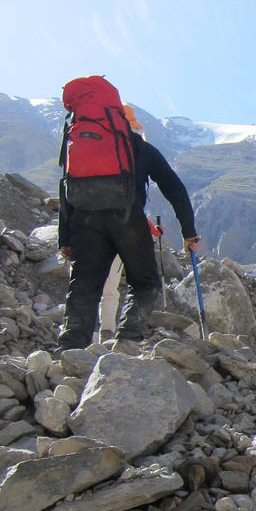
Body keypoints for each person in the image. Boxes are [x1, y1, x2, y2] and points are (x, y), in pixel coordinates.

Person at [57, 104, 200, 350]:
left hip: (85, 222)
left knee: (84, 284)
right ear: (131, 125)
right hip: (127, 220)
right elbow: (175, 189)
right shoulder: (140, 148)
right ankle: (127, 338)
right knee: (145, 282)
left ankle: (71, 348)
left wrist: (65, 239)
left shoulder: (81, 148)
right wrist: (189, 233)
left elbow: (65, 189)